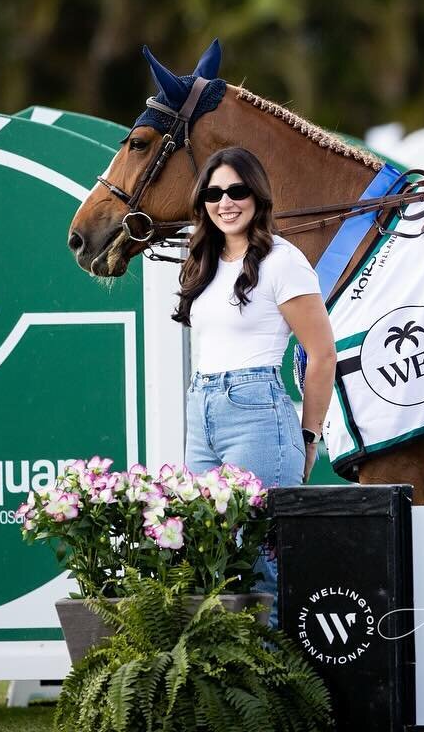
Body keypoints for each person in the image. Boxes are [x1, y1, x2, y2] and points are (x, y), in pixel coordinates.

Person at [173, 146, 336, 608]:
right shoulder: (202, 259)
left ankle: (276, 677)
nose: (226, 202)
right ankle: (234, 677)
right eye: (214, 192)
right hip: (202, 409)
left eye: (237, 190)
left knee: (263, 561)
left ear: (258, 195)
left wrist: (309, 437)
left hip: (258, 412)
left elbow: (322, 354)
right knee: (211, 555)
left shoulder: (282, 260)